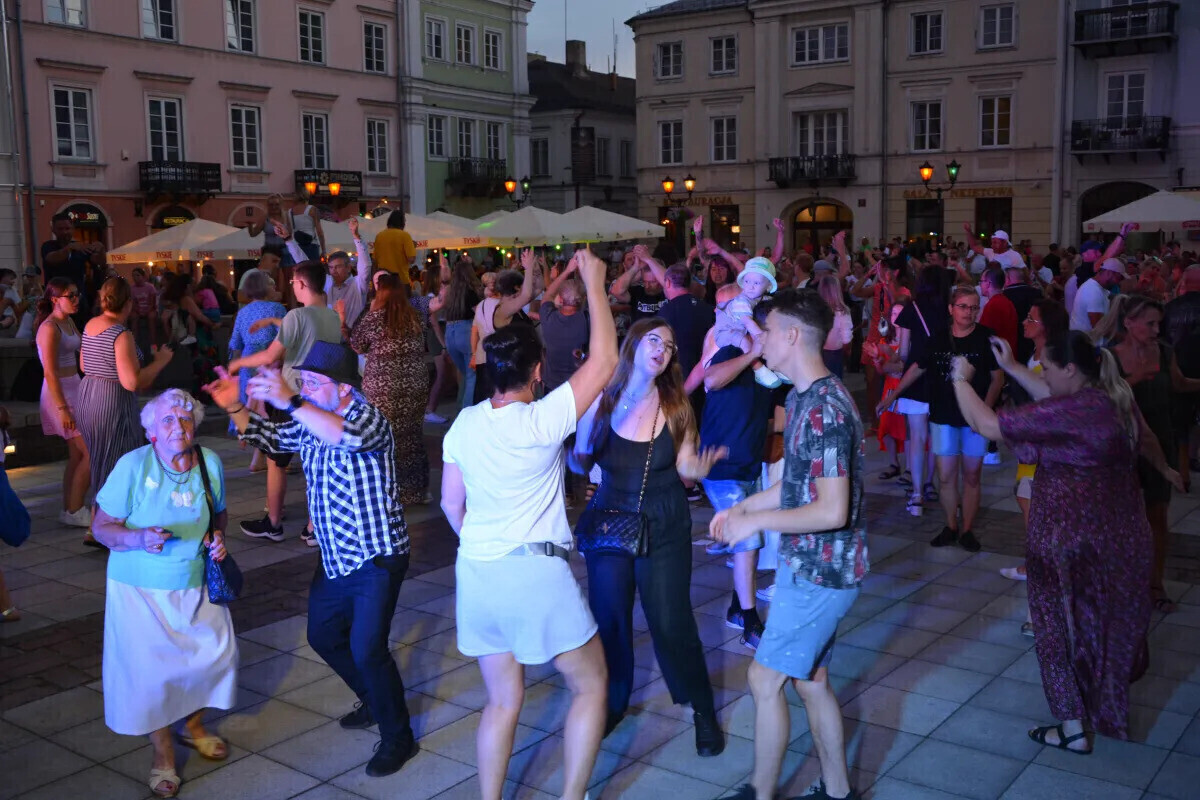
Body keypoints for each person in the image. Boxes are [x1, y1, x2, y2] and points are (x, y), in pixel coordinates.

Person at [439, 248, 619, 800]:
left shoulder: (464, 424)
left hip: (478, 571)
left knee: (501, 700)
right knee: (591, 684)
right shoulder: (543, 419)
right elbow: (606, 361)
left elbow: (451, 505)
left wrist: (484, 538)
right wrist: (594, 282)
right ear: (538, 372)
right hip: (533, 573)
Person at [952, 333, 1178, 752]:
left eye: (1050, 369)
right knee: (1100, 624)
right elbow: (1058, 399)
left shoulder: (1074, 408)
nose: (1047, 378)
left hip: (1062, 537)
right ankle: (1103, 707)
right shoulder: (1111, 397)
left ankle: (1072, 727)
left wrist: (960, 380)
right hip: (1120, 533)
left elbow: (987, 425)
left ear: (1070, 369)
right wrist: (1016, 367)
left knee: (1053, 625)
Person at [206, 342, 418, 778]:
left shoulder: (368, 418)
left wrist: (292, 400)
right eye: (303, 381)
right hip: (337, 558)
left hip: (377, 558)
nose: (303, 387)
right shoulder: (309, 420)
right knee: (322, 635)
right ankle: (377, 701)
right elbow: (269, 439)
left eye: (314, 382)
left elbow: (343, 436)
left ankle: (400, 738)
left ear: (344, 389)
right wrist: (235, 408)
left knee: (367, 648)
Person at [711, 288, 868, 800]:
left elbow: (830, 509)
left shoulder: (825, 407)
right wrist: (742, 510)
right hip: (813, 568)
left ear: (793, 336)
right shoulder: (802, 397)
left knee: (763, 680)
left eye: (767, 331)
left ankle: (759, 791)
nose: (760, 341)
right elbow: (797, 482)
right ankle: (838, 791)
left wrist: (754, 524)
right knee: (811, 679)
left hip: (822, 573)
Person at [570, 317, 728, 752]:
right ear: (634, 345)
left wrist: (699, 467)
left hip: (663, 521)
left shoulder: (676, 406)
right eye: (654, 340)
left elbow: (686, 468)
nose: (662, 349)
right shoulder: (603, 398)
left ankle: (701, 708)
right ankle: (614, 703)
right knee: (611, 620)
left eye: (670, 345)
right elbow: (579, 465)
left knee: (671, 622)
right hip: (609, 519)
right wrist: (582, 429)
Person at [92, 389, 235, 799]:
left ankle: (191, 724)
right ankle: (163, 756)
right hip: (140, 589)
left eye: (186, 419)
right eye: (168, 420)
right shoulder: (133, 466)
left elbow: (218, 514)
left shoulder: (209, 462)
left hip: (195, 582)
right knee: (152, 677)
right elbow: (102, 528)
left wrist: (217, 540)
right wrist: (138, 537)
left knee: (214, 658)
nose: (179, 426)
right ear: (151, 431)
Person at [879, 285, 1004, 552]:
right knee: (946, 476)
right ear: (951, 309)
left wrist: (985, 410)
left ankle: (967, 528)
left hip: (974, 419)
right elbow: (917, 368)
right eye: (963, 307)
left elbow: (997, 377)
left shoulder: (986, 338)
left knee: (971, 475)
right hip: (943, 415)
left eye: (973, 308)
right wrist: (893, 395)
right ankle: (951, 525)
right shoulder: (938, 339)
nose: (968, 313)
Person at [229, 252, 341, 542]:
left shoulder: (296, 315)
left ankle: (274, 523)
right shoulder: (330, 316)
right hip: (321, 398)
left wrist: (239, 364)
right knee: (315, 463)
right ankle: (314, 527)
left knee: (276, 460)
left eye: (293, 281)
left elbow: (271, 354)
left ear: (302, 284)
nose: (291, 285)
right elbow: (307, 339)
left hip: (290, 397)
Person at [693, 303, 777, 650]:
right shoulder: (731, 350)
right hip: (721, 466)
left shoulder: (774, 367)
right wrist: (751, 354)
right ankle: (751, 622)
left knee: (749, 546)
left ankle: (736, 608)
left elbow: (773, 414)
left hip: (750, 464)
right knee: (748, 540)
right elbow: (710, 380)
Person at [1110, 296, 1200, 612]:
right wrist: (1132, 381)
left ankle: (1155, 584)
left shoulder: (1164, 351)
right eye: (1149, 323)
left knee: (1157, 517)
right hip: (1124, 444)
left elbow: (1179, 383)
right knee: (1123, 518)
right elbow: (1101, 399)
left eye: (1157, 323)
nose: (1155, 329)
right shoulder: (1111, 357)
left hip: (1161, 439)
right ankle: (1123, 582)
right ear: (1129, 323)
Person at [79, 278, 174, 504]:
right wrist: (161, 361)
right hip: (112, 399)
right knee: (118, 461)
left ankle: (100, 519)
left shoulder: (91, 324)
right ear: (129, 303)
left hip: (88, 394)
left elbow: (84, 365)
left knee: (99, 459)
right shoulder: (121, 333)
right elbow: (132, 382)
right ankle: (108, 519)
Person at [349, 277, 430, 505]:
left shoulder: (375, 317)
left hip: (384, 386)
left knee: (386, 436)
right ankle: (416, 491)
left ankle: (390, 492)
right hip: (415, 383)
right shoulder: (414, 317)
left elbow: (357, 344)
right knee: (412, 435)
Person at [35, 278, 92, 531]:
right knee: (91, 452)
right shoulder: (49, 328)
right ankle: (75, 508)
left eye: (77, 294)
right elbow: (49, 372)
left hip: (75, 387)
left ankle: (69, 506)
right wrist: (62, 408)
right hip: (60, 394)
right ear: (55, 299)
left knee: (77, 454)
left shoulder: (68, 320)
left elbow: (80, 354)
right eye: (71, 296)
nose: (77, 299)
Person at [892, 266, 947, 516]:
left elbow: (903, 352)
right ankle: (930, 484)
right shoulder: (949, 310)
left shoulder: (910, 310)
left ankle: (916, 495)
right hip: (940, 379)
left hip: (915, 377)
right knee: (936, 436)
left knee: (916, 437)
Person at [227, 270, 286, 469]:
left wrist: (234, 367)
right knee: (270, 408)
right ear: (264, 287)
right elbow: (287, 334)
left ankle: (256, 455)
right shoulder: (276, 308)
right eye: (271, 283)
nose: (274, 287)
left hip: (248, 359)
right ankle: (268, 456)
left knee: (253, 407)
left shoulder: (242, 312)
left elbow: (235, 342)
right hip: (270, 360)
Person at [470, 254, 536, 403]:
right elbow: (527, 295)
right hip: (508, 366)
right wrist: (529, 268)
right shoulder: (505, 308)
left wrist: (536, 268)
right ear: (516, 288)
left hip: (515, 363)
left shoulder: (512, 306)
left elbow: (535, 289)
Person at [1163, 265, 1200, 492]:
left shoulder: (1170, 309)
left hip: (1179, 372)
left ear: (1184, 283)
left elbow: (1162, 342)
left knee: (1181, 426)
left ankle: (1183, 475)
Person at [41, 212, 105, 327]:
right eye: (60, 229)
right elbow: (51, 258)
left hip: (78, 300)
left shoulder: (80, 248)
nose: (64, 232)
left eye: (67, 228)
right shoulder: (48, 246)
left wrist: (100, 249)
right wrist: (69, 248)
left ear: (73, 229)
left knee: (80, 331)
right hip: (55, 301)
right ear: (53, 230)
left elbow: (99, 262)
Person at [539, 255, 590, 392]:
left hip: (552, 386)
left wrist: (567, 271)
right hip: (579, 385)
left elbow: (548, 295)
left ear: (560, 299)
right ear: (583, 299)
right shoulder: (587, 320)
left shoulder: (548, 317)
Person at [443, 258, 484, 408]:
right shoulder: (471, 291)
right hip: (466, 331)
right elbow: (479, 313)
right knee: (472, 375)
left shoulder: (450, 292)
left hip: (450, 331)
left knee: (466, 375)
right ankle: (467, 413)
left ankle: (460, 409)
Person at [326, 217, 372, 333]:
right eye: (331, 267)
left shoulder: (358, 283)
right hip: (331, 338)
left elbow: (366, 265)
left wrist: (356, 237)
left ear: (348, 267)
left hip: (353, 339)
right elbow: (305, 266)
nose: (333, 271)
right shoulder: (327, 282)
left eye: (338, 267)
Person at [609, 248, 667, 323]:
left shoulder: (669, 293)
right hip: (639, 333)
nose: (647, 286)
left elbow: (669, 280)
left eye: (652, 282)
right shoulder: (637, 291)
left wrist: (649, 260)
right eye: (645, 281)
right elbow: (616, 291)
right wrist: (636, 267)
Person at [1070, 257, 1127, 332]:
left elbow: (1115, 299)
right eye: (1119, 278)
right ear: (1109, 273)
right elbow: (1099, 328)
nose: (1118, 282)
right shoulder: (1093, 291)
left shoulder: (1099, 288)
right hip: (1087, 342)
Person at [817, 274, 852, 378]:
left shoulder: (814, 310)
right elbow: (846, 340)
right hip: (834, 354)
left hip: (815, 352)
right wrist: (847, 352)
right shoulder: (842, 312)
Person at [373, 210, 416, 284]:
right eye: (404, 221)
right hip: (401, 280)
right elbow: (411, 259)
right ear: (401, 222)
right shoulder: (405, 236)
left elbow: (375, 261)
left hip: (383, 280)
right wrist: (413, 247)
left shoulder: (379, 236)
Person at [287, 192, 326, 261]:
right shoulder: (312, 209)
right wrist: (324, 250)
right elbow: (320, 232)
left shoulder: (289, 212)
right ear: (306, 198)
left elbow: (289, 233)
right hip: (311, 244)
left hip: (296, 246)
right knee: (312, 270)